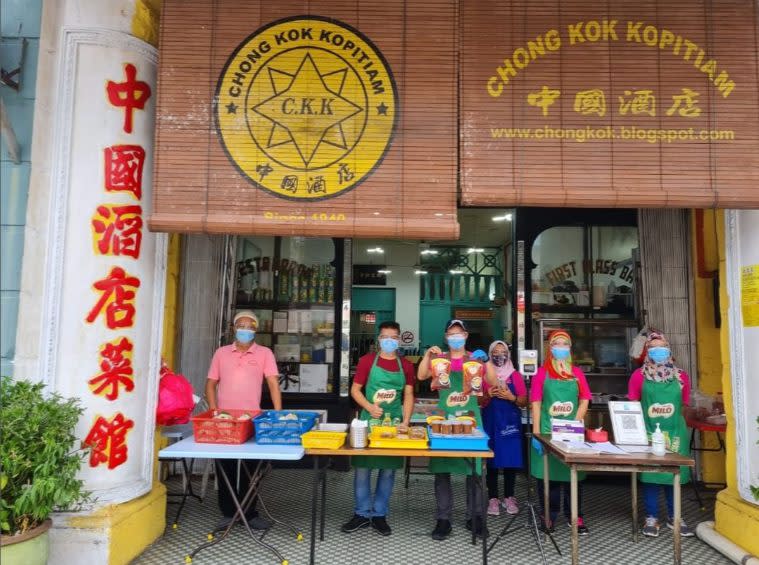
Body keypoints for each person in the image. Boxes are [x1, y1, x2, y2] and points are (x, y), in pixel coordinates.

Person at [417, 319, 497, 540]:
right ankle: (443, 519)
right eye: (451, 334)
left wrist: (487, 361)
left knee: (476, 473)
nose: (455, 337)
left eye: (459, 333)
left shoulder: (474, 358)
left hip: (471, 421)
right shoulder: (439, 359)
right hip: (444, 421)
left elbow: (493, 381)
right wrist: (427, 356)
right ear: (445, 337)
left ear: (466, 335)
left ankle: (476, 517)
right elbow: (421, 376)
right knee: (442, 472)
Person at [205, 310, 282, 530]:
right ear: (233, 328)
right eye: (241, 325)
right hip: (225, 420)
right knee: (225, 466)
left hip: (252, 419)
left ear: (256, 330)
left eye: (250, 326)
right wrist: (213, 410)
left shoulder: (265, 353)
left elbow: (273, 384)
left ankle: (250, 512)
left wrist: (277, 414)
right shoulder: (221, 353)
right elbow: (211, 384)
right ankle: (228, 513)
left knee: (252, 467)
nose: (245, 330)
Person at [342, 321, 415, 536]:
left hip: (393, 424)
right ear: (379, 339)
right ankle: (362, 514)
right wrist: (368, 407)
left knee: (388, 471)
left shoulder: (406, 365)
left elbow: (408, 394)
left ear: (399, 339)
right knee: (363, 470)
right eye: (386, 337)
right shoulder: (366, 362)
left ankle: (380, 514)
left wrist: (406, 421)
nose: (390, 341)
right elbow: (355, 390)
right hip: (369, 423)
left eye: (394, 337)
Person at [627, 330, 694, 538]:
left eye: (662, 347)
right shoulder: (638, 376)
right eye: (654, 348)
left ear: (669, 349)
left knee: (673, 473)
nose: (658, 351)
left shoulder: (681, 376)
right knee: (651, 475)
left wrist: (675, 425)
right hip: (648, 432)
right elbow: (633, 406)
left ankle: (675, 517)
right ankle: (652, 517)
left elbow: (683, 405)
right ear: (647, 351)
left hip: (674, 432)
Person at [529, 329, 592, 535]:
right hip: (548, 432)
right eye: (557, 344)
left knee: (574, 476)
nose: (561, 348)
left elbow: (584, 399)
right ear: (550, 348)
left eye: (565, 344)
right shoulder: (541, 373)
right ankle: (548, 515)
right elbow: (536, 404)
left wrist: (575, 422)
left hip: (572, 433)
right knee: (549, 477)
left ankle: (575, 515)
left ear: (570, 348)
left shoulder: (577, 373)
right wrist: (537, 434)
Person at [481, 340, 527, 516]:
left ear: (508, 354)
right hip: (491, 421)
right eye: (496, 352)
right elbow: (478, 400)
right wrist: (488, 395)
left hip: (510, 423)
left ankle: (509, 496)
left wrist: (511, 396)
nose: (500, 355)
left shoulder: (515, 375)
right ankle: (493, 497)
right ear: (490, 354)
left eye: (503, 352)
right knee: (491, 459)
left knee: (510, 459)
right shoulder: (485, 374)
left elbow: (524, 401)